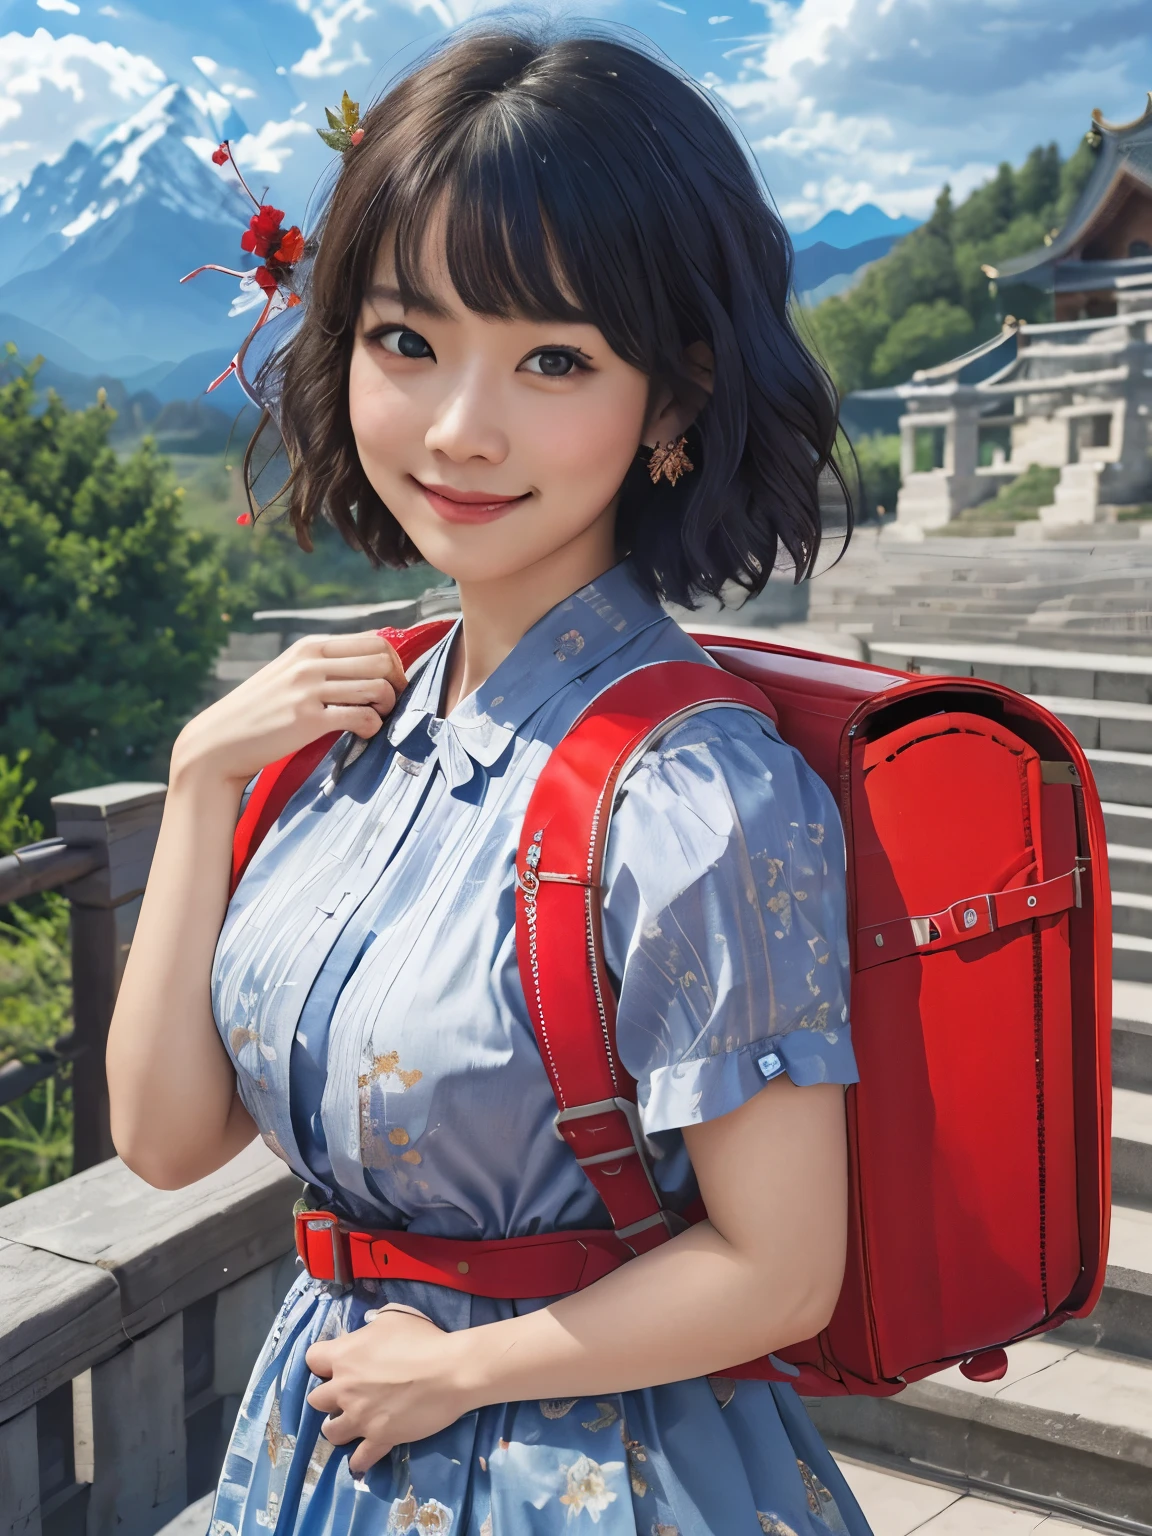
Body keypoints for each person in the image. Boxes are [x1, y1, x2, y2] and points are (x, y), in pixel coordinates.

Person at [107, 25, 870, 1536]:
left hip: (579, 1470)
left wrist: (460, 1374)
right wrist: (200, 782)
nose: (460, 428)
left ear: (673, 398)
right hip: (340, 1423)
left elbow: (785, 1269)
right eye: (410, 340)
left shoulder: (695, 797)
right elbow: (167, 1139)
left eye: (553, 360)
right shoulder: (357, 728)